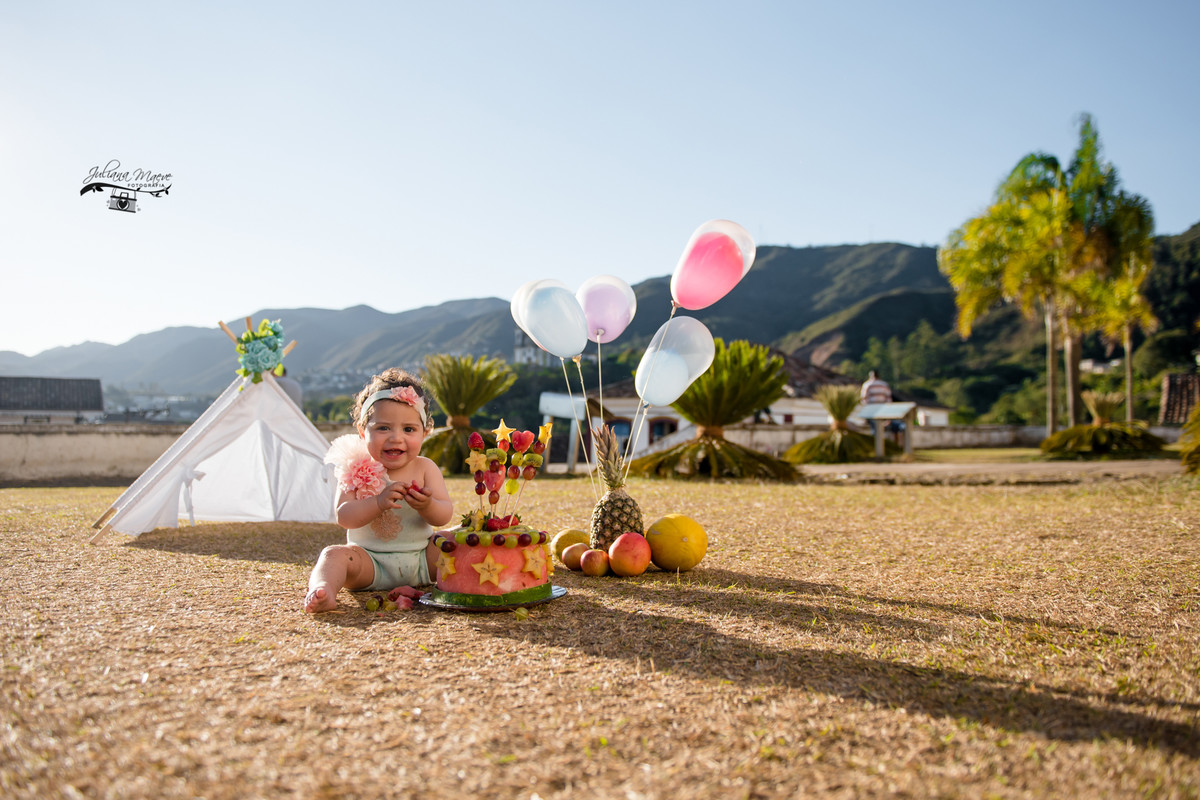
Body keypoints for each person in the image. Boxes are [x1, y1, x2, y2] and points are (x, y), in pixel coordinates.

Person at [304, 369, 454, 613]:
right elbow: (344, 516)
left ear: (424, 433)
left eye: (409, 429)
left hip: (422, 560)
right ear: (363, 431)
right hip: (369, 562)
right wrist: (378, 502)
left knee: (453, 539)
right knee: (334, 555)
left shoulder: (425, 468)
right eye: (383, 428)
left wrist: (427, 506)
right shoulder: (355, 467)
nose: (396, 438)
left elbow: (444, 515)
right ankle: (323, 589)